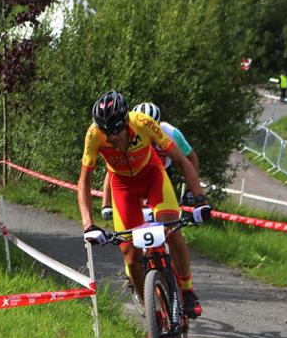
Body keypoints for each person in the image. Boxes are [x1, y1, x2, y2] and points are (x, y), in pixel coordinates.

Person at [79, 90, 211, 317]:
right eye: (106, 132)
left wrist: (199, 199)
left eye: (116, 131)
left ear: (126, 122)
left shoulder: (143, 123)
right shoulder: (94, 134)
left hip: (152, 177)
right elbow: (84, 182)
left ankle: (188, 290)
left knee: (172, 230)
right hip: (123, 187)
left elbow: (181, 160)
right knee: (130, 256)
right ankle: (150, 310)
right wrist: (88, 225)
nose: (112, 138)